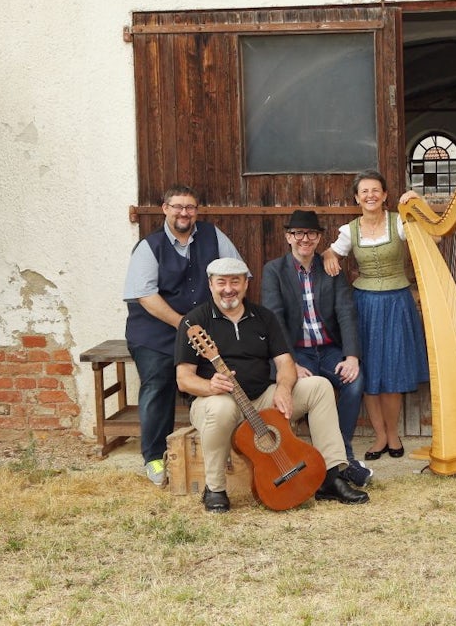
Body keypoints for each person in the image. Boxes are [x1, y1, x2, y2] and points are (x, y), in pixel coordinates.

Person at [174, 257, 369, 513]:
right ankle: (216, 488)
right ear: (210, 285)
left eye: (235, 281)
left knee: (319, 387)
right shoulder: (194, 322)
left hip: (260, 398)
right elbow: (184, 379)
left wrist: (284, 388)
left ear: (246, 285)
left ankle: (332, 476)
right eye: (221, 282)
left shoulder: (263, 317)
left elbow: (286, 363)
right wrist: (210, 386)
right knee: (221, 408)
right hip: (216, 401)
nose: (228, 289)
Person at [123, 185, 244, 486]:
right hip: (155, 331)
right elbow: (145, 296)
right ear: (165, 209)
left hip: (202, 330)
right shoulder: (149, 246)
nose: (183, 213)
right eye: (177, 207)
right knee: (158, 382)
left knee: (221, 377)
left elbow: (239, 274)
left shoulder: (214, 236)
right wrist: (184, 324)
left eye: (189, 207)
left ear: (197, 210)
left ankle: (217, 451)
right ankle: (153, 457)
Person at [322, 169, 429, 461]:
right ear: (357, 198)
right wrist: (329, 255)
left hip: (397, 302)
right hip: (365, 304)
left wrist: (418, 202)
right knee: (369, 374)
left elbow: (433, 237)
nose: (370, 195)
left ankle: (393, 433)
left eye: (375, 190)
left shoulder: (399, 223)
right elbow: (330, 254)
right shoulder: (349, 230)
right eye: (364, 191)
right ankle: (379, 435)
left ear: (384, 195)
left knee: (392, 372)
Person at [261, 209, 372, 488]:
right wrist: (290, 365)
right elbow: (274, 320)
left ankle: (342, 451)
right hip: (297, 352)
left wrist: (352, 357)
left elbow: (346, 312)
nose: (305, 239)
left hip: (329, 349)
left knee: (355, 382)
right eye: (298, 233)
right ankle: (333, 459)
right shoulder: (274, 270)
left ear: (319, 237)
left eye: (311, 233)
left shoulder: (330, 268)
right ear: (288, 237)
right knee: (309, 389)